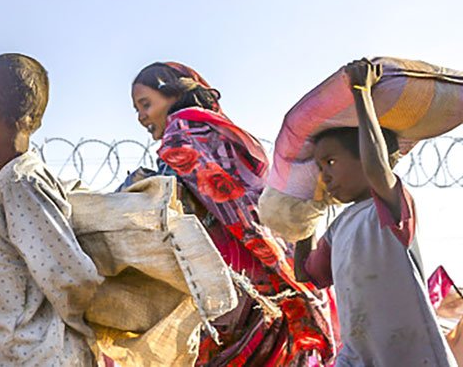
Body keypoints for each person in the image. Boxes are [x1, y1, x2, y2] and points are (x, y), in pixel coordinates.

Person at [130, 62, 335, 366]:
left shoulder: (182, 133)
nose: (141, 117)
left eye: (146, 104)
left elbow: (171, 204)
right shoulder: (216, 128)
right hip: (260, 278)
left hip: (231, 285)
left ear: (173, 95)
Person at [294, 59, 456, 366]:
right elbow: (307, 274)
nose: (323, 176)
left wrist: (361, 93)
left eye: (330, 162)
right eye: (318, 168)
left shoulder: (389, 205)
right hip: (359, 358)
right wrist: (307, 211)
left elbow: (376, 168)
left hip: (410, 355)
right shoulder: (338, 228)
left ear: (365, 157)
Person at [0, 53, 103, 366]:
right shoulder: (5, 184)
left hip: (36, 357)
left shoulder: (19, 183)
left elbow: (71, 275)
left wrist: (74, 332)